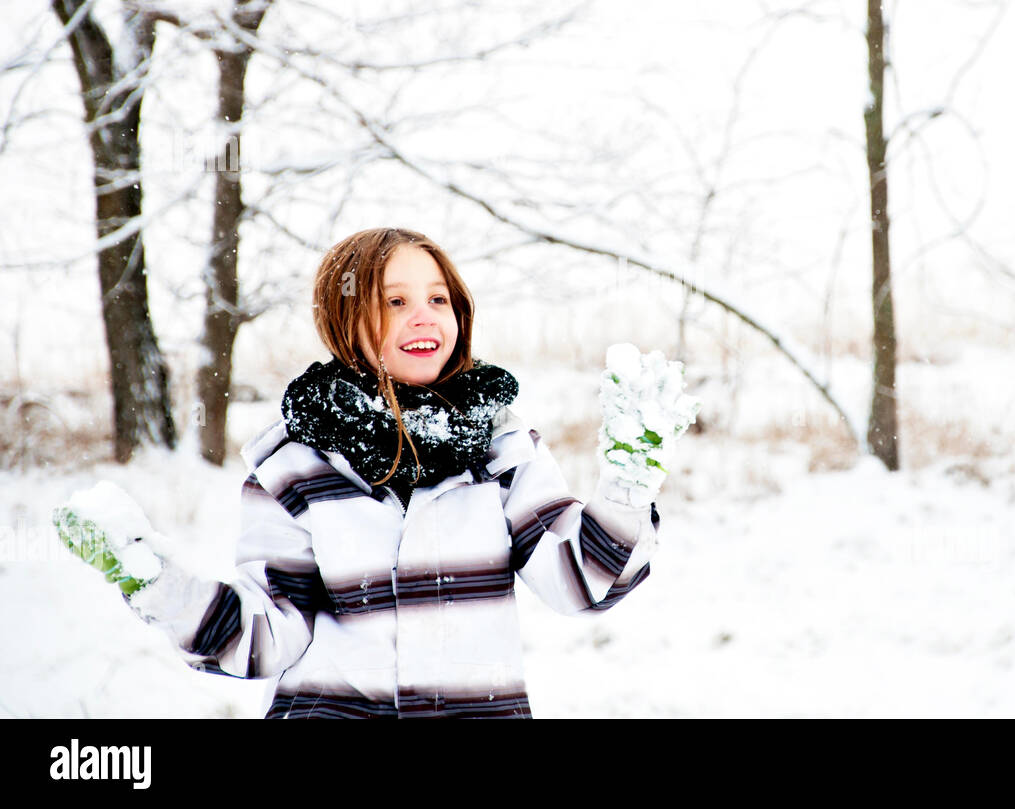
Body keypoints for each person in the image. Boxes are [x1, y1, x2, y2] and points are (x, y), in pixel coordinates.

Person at [54, 226, 699, 718]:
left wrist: (626, 486)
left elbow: (578, 583)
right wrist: (166, 590)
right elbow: (270, 634)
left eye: (438, 298)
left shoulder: (501, 452)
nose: (424, 315)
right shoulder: (294, 468)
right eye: (394, 301)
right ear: (346, 319)